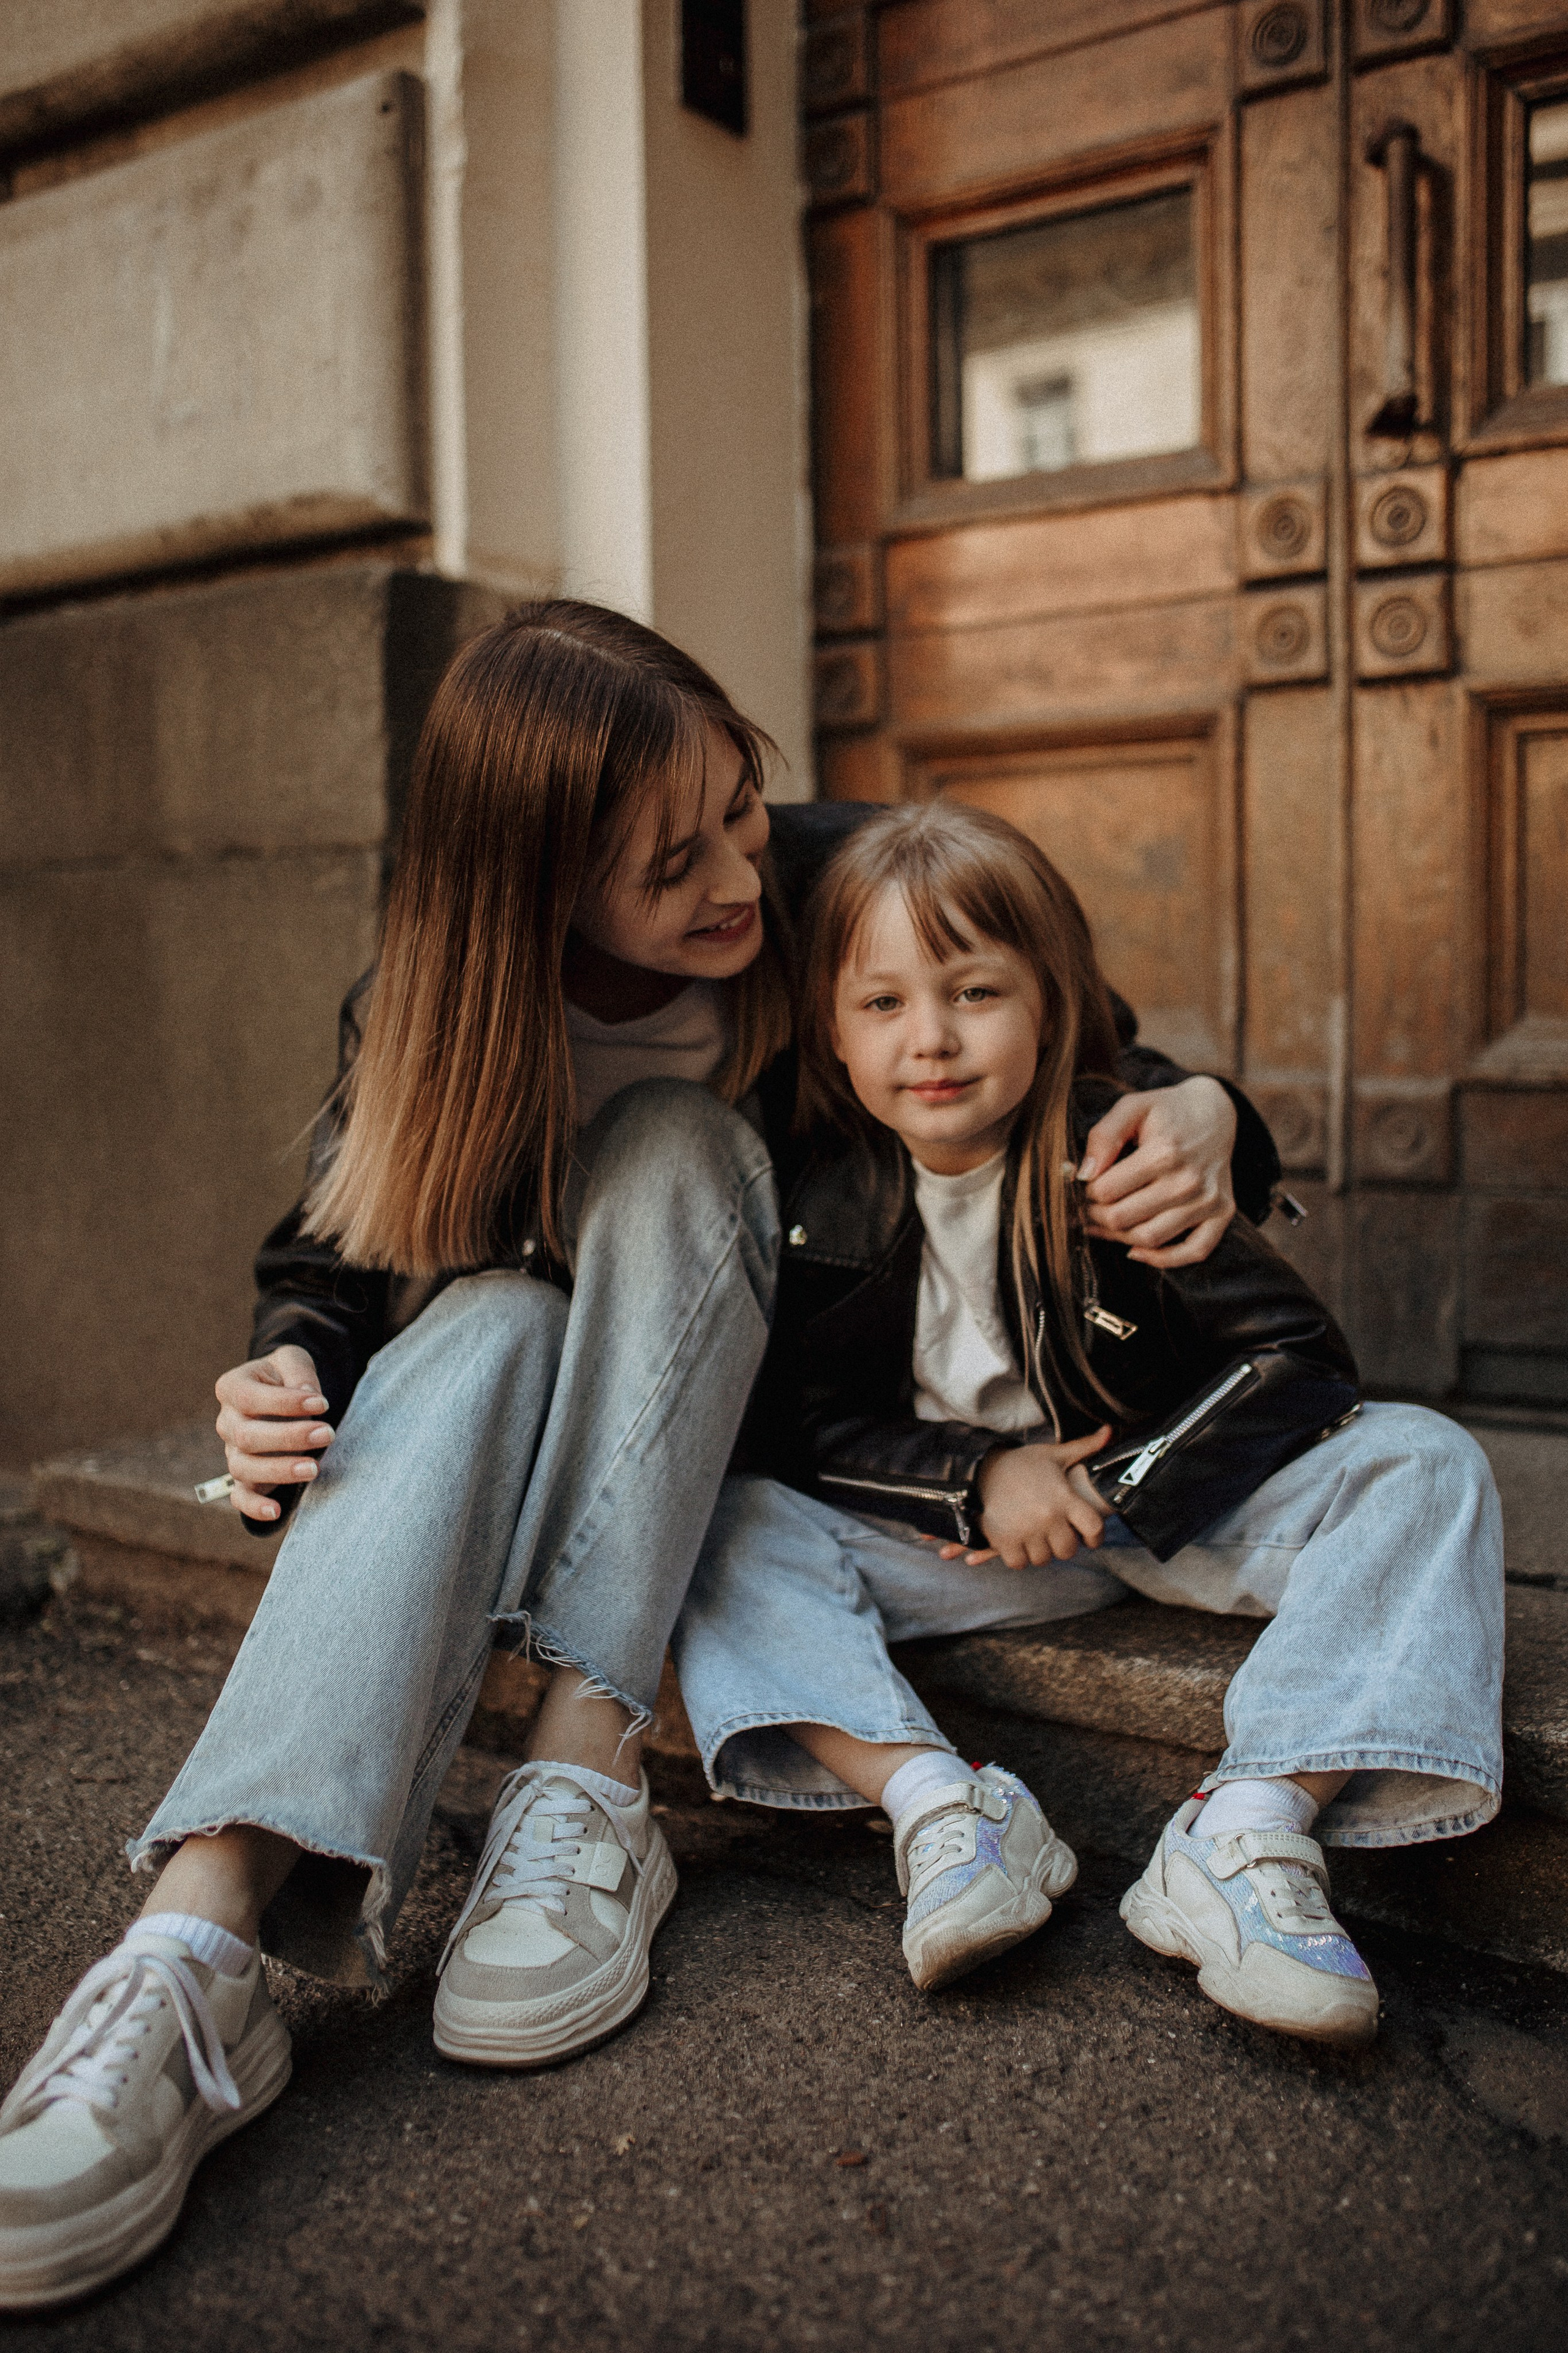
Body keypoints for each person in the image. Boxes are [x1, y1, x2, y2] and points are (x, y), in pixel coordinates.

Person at [0, 605, 1274, 2311]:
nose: (743, 875)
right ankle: (195, 1944)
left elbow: (1075, 1053)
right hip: (523, 1437)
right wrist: (288, 1374)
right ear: (539, 890)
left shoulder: (832, 883)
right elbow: (331, 1262)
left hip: (746, 1455)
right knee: (490, 1324)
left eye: (739, 805)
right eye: (672, 862)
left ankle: (582, 1771)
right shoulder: (429, 1004)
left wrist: (1213, 1117)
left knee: (672, 1143)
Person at [671, 798, 1504, 2044]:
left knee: (1423, 1460)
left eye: (974, 991)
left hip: (1167, 1513)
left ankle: (1241, 1833)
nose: (932, 1039)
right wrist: (971, 1481)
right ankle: (943, 1811)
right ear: (828, 1030)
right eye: (882, 1003)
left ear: (1053, 1000)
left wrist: (1129, 1482)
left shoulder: (1118, 1151)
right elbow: (801, 1421)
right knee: (716, 1520)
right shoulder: (814, 1193)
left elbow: (1297, 1357)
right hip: (972, 1549)